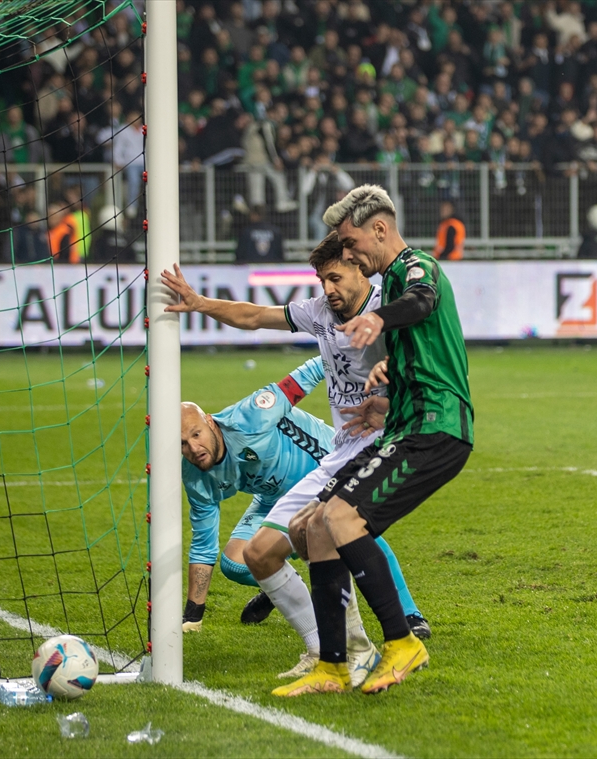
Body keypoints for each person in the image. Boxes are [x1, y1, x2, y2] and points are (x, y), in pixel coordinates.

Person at [159, 232, 432, 658]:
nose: (327, 288)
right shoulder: (317, 312)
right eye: (321, 280)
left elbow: (425, 355)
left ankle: (404, 622)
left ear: (360, 268)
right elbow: (253, 315)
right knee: (252, 555)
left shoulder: (386, 308)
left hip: (369, 443)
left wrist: (388, 382)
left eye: (335, 278)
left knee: (347, 525)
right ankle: (322, 638)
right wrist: (199, 303)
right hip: (327, 457)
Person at [276, 185, 473, 697]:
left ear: (379, 230)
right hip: (408, 423)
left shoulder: (416, 267)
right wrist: (383, 399)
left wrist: (378, 318)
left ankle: (403, 641)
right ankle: (333, 667)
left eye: (350, 242)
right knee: (315, 525)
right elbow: (421, 357)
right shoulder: (391, 282)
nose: (348, 253)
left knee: (341, 517)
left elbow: (422, 300)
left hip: (436, 427)